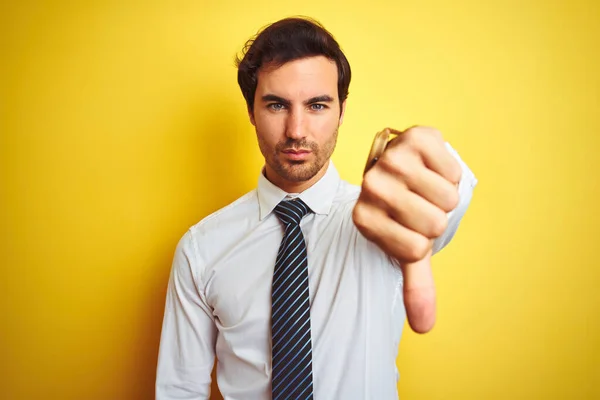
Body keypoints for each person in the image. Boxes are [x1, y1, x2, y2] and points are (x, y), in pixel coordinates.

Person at [156, 16, 477, 400]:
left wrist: (429, 165)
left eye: (317, 105)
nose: (296, 130)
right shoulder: (201, 248)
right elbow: (180, 390)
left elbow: (447, 201)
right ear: (251, 111)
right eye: (276, 105)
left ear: (342, 110)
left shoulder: (386, 217)